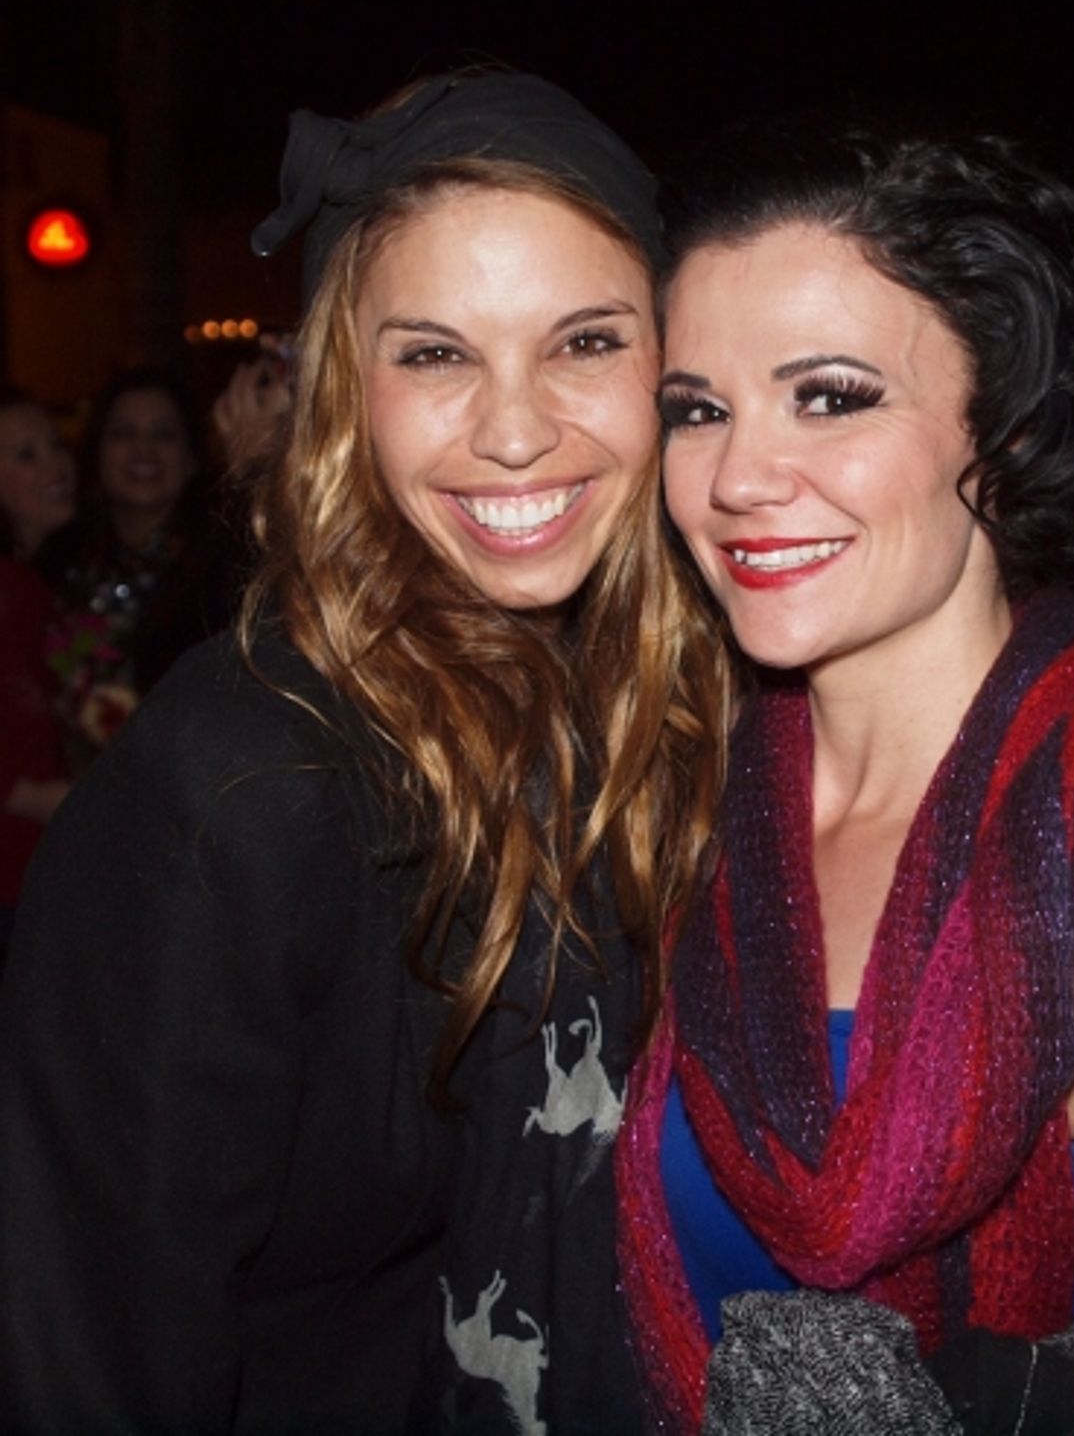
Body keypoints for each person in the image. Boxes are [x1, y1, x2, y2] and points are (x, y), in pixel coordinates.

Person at [614, 118, 1074, 1430]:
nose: (738, 475)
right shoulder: (693, 819)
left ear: (1006, 433)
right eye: (698, 409)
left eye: (830, 394)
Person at [0, 72, 726, 1435]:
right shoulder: (238, 787)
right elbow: (87, 1353)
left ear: (671, 368)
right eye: (435, 353)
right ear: (346, 388)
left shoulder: (679, 723)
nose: (515, 429)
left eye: (584, 341)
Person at [38, 365, 236, 768]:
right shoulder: (56, 560)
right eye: (124, 434)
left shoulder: (227, 566)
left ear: (192, 458)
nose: (143, 451)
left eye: (163, 435)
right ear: (97, 452)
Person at [0, 389, 72, 947]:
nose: (57, 464)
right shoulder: (9, 589)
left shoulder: (40, 583)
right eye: (26, 455)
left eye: (55, 445)